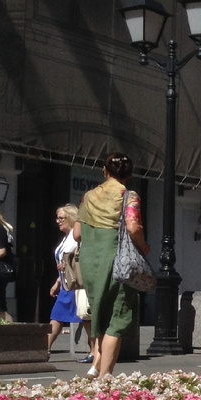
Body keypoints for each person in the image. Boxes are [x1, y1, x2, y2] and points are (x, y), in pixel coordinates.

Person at [74, 152, 150, 378]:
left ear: (104, 171)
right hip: (117, 262)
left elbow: (77, 234)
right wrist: (144, 247)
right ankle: (105, 374)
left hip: (89, 262)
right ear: (129, 175)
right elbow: (133, 227)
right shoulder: (128, 196)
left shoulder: (87, 197)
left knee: (99, 312)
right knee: (117, 317)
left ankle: (96, 364)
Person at [48, 204, 90, 355]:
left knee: (83, 316)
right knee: (61, 315)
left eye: (61, 218)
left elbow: (76, 258)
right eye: (57, 218)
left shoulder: (75, 236)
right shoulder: (67, 237)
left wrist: (66, 265)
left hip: (75, 284)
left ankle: (95, 351)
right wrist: (57, 282)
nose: (58, 221)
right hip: (66, 283)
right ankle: (44, 347)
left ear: (71, 218)